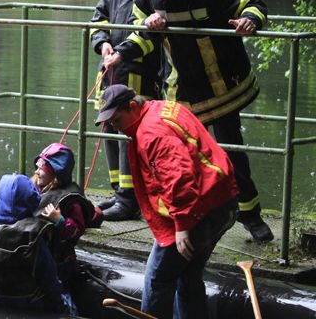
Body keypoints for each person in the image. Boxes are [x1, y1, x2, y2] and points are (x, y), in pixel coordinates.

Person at [106, 0, 272, 243]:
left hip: (222, 88)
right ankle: (190, 215)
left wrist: (250, 21)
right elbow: (140, 36)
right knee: (179, 157)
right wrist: (122, 51)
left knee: (231, 153)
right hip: (181, 90)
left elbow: (253, 2)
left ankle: (251, 215)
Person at [95, 84, 238, 318]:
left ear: (132, 106)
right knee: (189, 275)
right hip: (222, 201)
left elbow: (179, 177)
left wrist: (182, 226)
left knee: (158, 278)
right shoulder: (161, 108)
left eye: (116, 120)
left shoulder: (151, 133)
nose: (115, 127)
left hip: (198, 210)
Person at [90, 0, 161, 221]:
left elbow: (151, 33)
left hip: (137, 72)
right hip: (109, 71)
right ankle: (118, 190)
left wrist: (122, 51)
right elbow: (98, 18)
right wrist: (102, 42)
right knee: (107, 128)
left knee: (129, 133)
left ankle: (130, 199)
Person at [0, 174, 67, 312]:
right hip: (29, 301)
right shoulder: (32, 235)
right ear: (31, 200)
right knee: (68, 300)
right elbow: (49, 280)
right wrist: (59, 307)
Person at [32, 143, 103, 301]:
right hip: (40, 253)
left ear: (56, 172)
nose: (36, 172)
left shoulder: (71, 201)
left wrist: (60, 220)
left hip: (60, 260)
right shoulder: (39, 187)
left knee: (60, 291)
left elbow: (76, 230)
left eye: (41, 169)